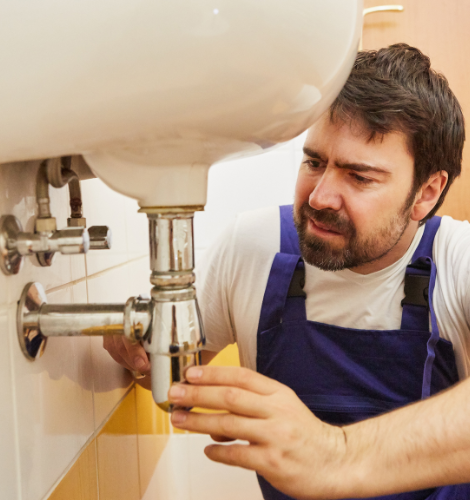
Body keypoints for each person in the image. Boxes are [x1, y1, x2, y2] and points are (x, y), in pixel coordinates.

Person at [104, 44, 470, 499]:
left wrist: (335, 451)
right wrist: (140, 351)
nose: (319, 198)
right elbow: (170, 373)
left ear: (427, 192)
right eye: (314, 163)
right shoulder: (252, 247)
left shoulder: (459, 262)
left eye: (359, 177)